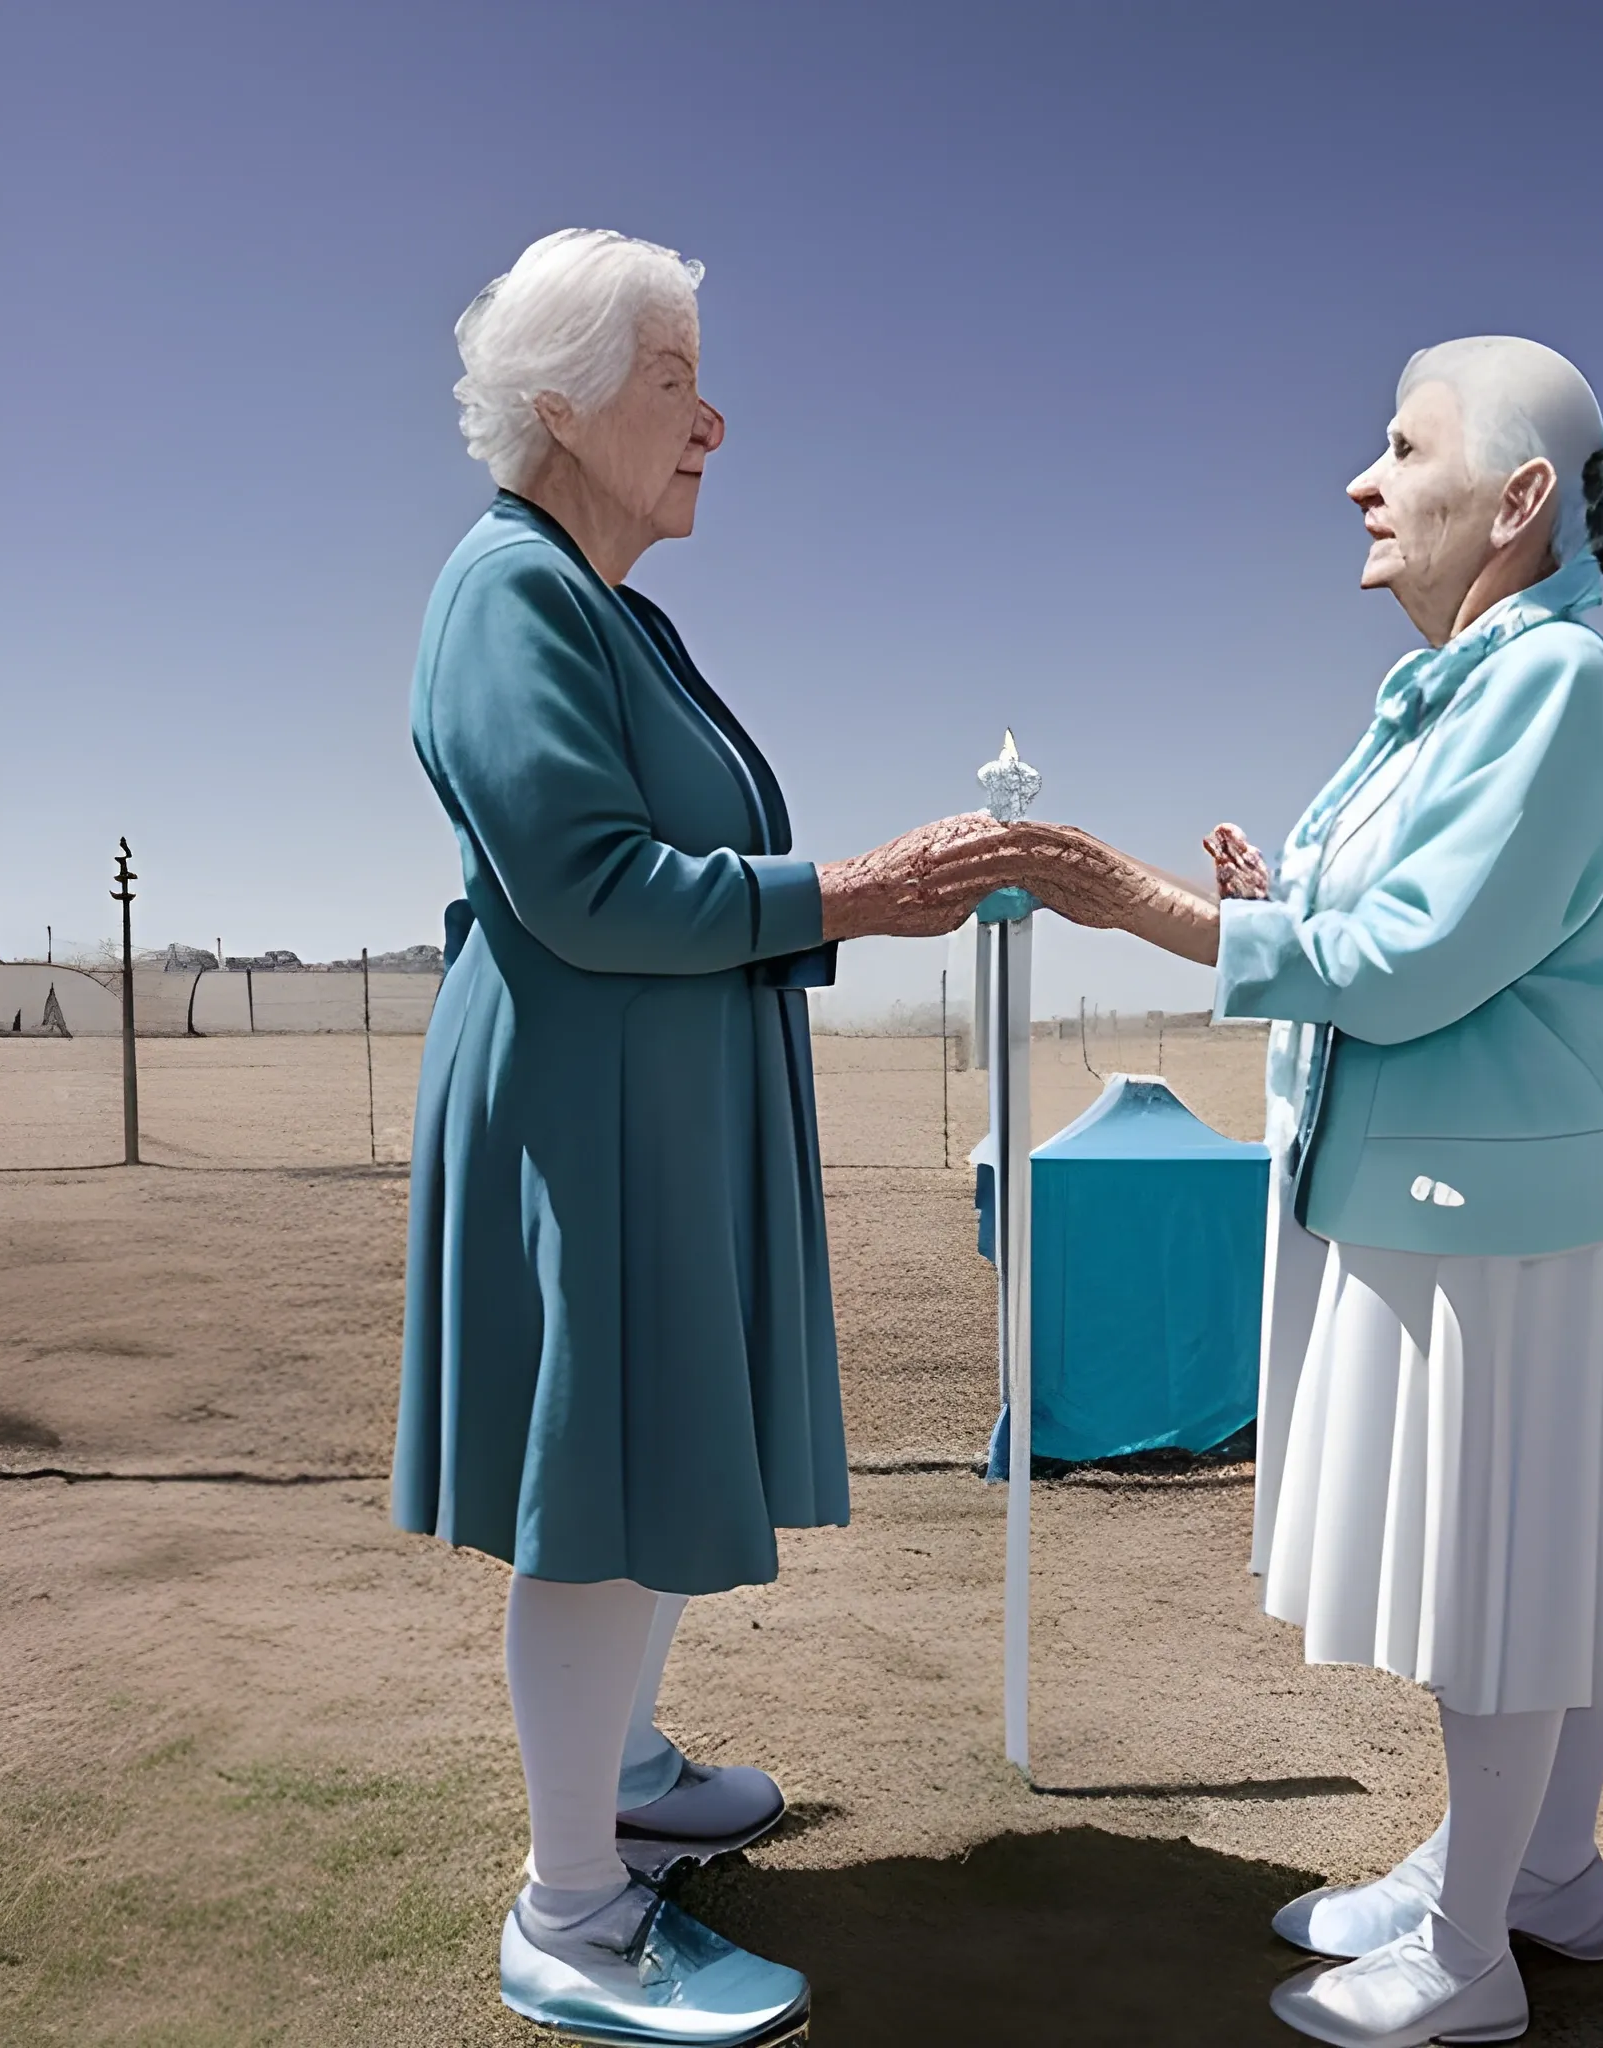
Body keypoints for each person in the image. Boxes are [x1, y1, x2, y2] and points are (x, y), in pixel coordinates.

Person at [391, 228, 1023, 2046]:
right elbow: (587, 885)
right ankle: (574, 1913)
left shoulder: (603, 603)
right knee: (599, 1477)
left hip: (651, 1103)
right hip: (582, 1117)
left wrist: (847, 896)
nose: (714, 421)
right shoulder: (502, 592)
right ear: (565, 405)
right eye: (677, 382)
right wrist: (853, 890)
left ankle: (627, 1767)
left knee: (657, 1441)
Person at [1030, 338, 1603, 2046]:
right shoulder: (1477, 685)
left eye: (1403, 448)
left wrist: (1149, 909)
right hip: (1494, 1195)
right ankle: (1538, 1871)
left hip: (1506, 1218)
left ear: (1521, 500)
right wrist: (1280, 899)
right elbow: (1401, 913)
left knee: (1508, 1570)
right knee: (1553, 1553)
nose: (1361, 478)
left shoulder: (1549, 686)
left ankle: (1471, 1956)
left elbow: (1414, 959)